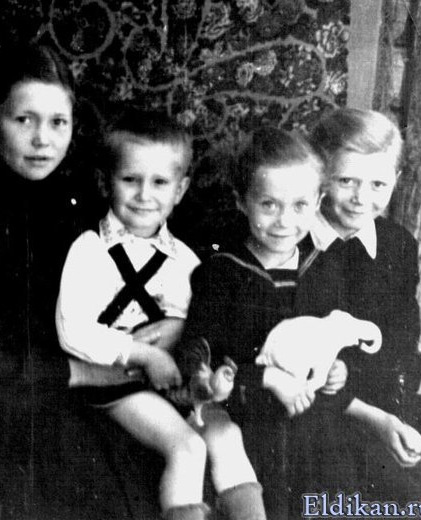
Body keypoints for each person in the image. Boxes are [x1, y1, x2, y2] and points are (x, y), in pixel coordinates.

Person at [0, 44, 169, 520]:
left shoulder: (79, 198)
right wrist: (84, 373)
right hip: (1, 401)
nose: (42, 139)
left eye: (58, 122)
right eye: (24, 120)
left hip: (83, 389)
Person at [55, 110, 266, 520]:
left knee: (226, 434)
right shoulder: (89, 248)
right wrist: (144, 354)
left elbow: (202, 325)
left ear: (180, 189)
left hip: (174, 381)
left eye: (159, 183)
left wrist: (191, 347)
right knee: (188, 447)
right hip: (115, 381)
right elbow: (72, 330)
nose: (143, 195)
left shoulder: (185, 259)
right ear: (106, 182)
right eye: (130, 180)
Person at [179, 127, 356, 517]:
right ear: (242, 202)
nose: (284, 221)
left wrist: (336, 371)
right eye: (269, 205)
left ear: (318, 202)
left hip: (310, 431)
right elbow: (199, 360)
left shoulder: (323, 269)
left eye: (300, 205)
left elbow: (333, 339)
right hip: (247, 428)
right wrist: (265, 378)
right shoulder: (222, 273)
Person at [309, 107, 421, 501]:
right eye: (346, 181)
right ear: (318, 175)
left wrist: (400, 417)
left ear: (396, 180)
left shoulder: (397, 244)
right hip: (316, 415)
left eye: (379, 184)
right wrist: (375, 419)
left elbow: (403, 341)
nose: (361, 199)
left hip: (385, 407)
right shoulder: (289, 243)